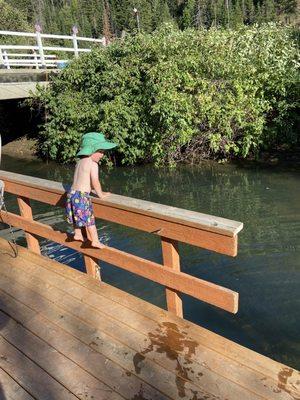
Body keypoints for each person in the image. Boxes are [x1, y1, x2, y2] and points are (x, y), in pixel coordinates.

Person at [65, 132, 117, 248]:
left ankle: (78, 233)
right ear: (91, 150)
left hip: (72, 194)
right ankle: (95, 241)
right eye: (100, 151)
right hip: (81, 196)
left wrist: (92, 191)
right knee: (89, 221)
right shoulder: (93, 164)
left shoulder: (79, 162)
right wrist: (101, 195)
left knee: (76, 216)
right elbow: (95, 181)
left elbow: (82, 181)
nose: (102, 155)